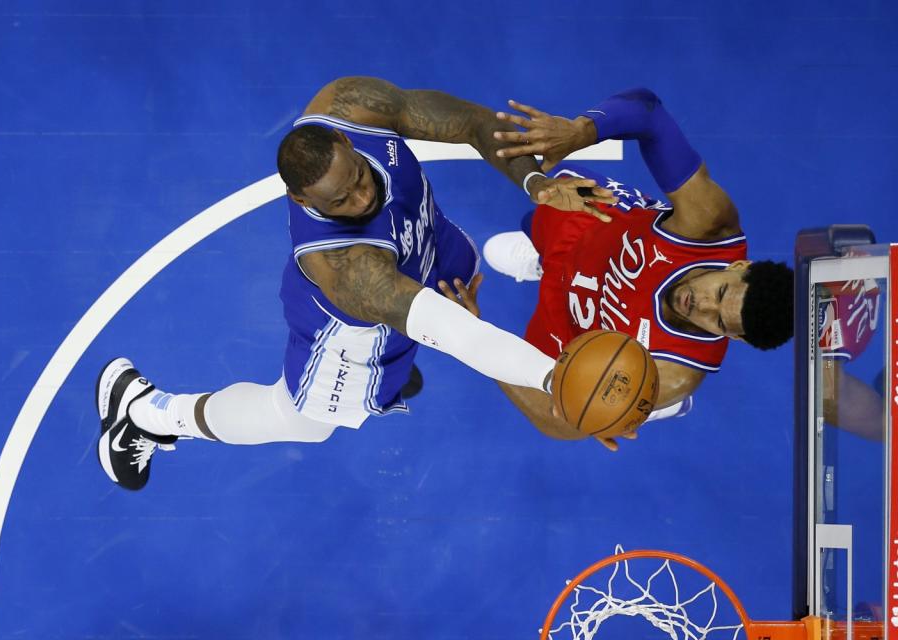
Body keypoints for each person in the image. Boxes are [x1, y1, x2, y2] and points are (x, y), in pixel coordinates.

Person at [95, 76, 619, 490]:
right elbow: (462, 336)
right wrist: (556, 379)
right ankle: (151, 413)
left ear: (345, 138)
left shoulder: (349, 105)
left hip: (425, 252)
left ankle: (399, 365)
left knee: (458, 273)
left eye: (361, 180)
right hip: (354, 333)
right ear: (305, 202)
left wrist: (538, 183)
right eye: (340, 201)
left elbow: (473, 124)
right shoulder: (345, 265)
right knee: (306, 421)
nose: (361, 199)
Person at [480, 89, 794, 449]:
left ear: (733, 337)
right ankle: (542, 258)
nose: (702, 305)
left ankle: (648, 405)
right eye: (720, 291)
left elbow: (558, 423)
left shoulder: (675, 373)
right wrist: (580, 131)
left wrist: (480, 339)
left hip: (575, 327)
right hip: (594, 224)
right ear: (738, 265)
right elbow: (647, 112)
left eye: (719, 321)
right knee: (543, 206)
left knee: (573, 391)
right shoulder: (707, 225)